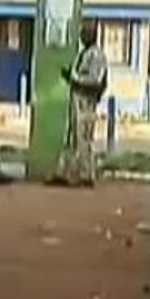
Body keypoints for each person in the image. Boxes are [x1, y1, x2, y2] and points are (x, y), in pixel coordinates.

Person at [51, 21, 108, 187]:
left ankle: (86, 175)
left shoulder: (96, 55)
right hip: (77, 97)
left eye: (86, 32)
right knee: (70, 137)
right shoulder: (83, 53)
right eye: (83, 32)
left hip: (86, 100)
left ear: (93, 35)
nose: (83, 35)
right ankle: (62, 172)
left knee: (84, 138)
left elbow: (95, 80)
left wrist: (74, 78)